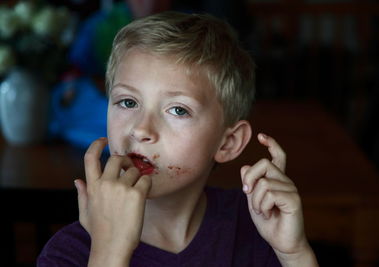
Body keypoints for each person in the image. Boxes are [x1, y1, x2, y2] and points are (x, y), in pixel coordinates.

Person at [38, 11, 318, 266]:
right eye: (127, 102)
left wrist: (293, 253)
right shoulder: (69, 253)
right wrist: (109, 251)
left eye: (177, 110)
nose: (141, 130)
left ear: (228, 143)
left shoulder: (258, 227)